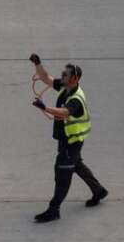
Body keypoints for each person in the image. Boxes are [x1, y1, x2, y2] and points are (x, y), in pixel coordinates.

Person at [30, 56, 107, 223]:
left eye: (65, 74)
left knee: (62, 173)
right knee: (76, 165)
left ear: (74, 78)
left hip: (71, 142)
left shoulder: (75, 100)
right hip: (70, 140)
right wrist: (38, 64)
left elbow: (64, 113)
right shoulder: (66, 87)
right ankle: (99, 190)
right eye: (62, 73)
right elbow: (45, 78)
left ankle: (54, 209)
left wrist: (44, 107)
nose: (62, 76)